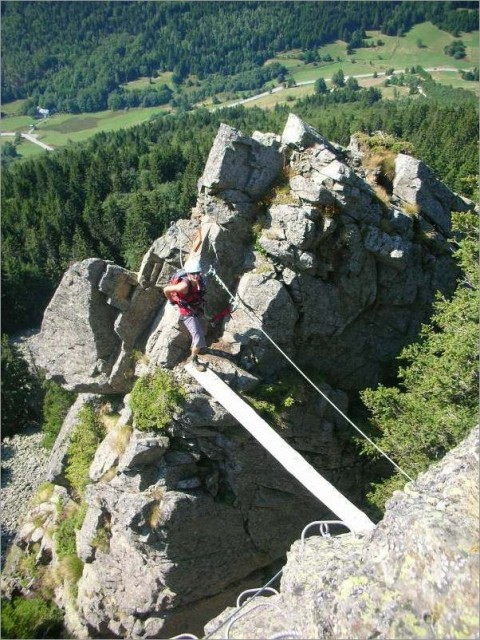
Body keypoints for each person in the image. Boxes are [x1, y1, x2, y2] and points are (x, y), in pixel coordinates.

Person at [163, 256, 207, 371]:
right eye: (193, 274)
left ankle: (198, 347)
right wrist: (172, 300)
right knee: (198, 337)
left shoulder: (199, 279)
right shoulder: (183, 286)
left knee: (201, 330)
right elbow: (166, 290)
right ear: (188, 274)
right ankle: (193, 359)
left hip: (195, 306)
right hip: (187, 312)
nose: (196, 276)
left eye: (197, 273)